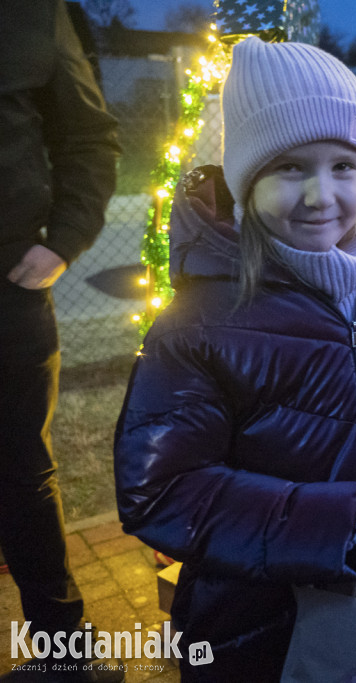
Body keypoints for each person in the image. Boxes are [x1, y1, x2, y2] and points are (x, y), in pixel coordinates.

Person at [113, 37, 356, 682]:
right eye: (291, 168)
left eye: (343, 166)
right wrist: (332, 527)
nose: (322, 195)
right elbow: (160, 490)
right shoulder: (201, 322)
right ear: (246, 180)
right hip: (260, 631)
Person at [0, 0, 120, 680]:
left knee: (21, 474)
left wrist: (64, 242)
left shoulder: (32, 11)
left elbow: (89, 137)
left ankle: (64, 653)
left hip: (7, 296)